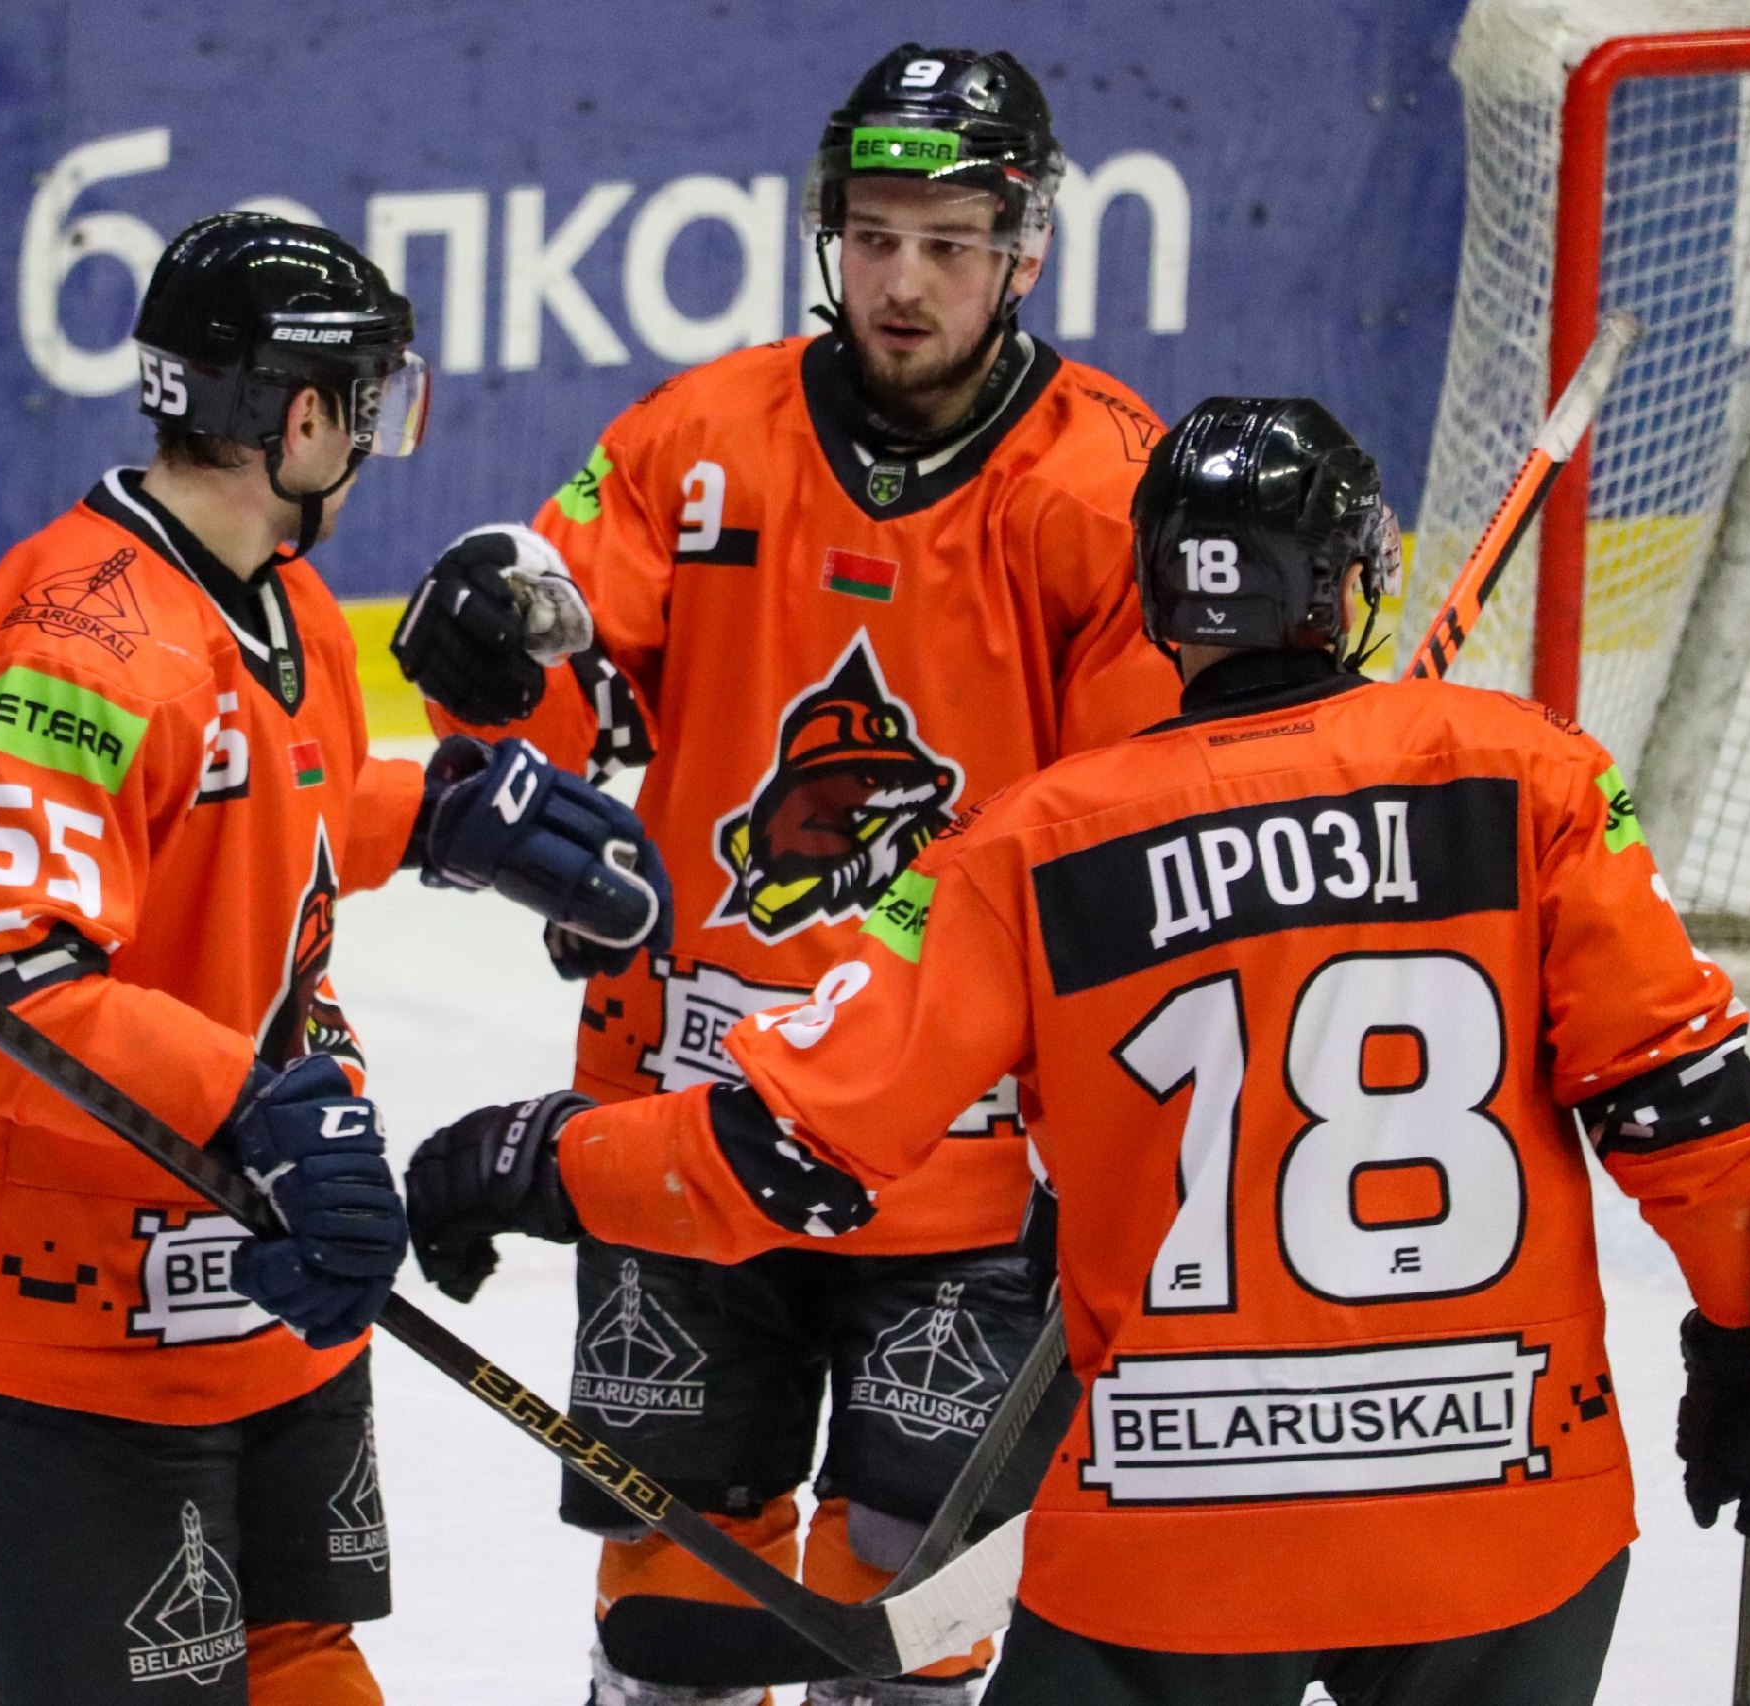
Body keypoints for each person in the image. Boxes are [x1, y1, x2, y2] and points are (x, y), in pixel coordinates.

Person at [405, 397, 1750, 1706]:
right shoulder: (1534, 773)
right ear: (1351, 582)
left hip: (1173, 1531)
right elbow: (1683, 1101)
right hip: (1504, 1511)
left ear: (1158, 602)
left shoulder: (1025, 846)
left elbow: (789, 1147)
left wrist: (535, 1159)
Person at [388, 40, 1183, 1706]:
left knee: (905, 1616)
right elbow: (557, 676)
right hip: (691, 1118)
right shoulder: (700, 435)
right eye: (874, 235)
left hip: (973, 1157)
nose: (901, 281)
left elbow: (1133, 838)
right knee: (676, 1614)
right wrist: (492, 642)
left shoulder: (1106, 485)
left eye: (948, 243)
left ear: (1024, 248)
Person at [0, 212, 668, 1706]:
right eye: (368, 401)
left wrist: (439, 817)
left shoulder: (280, 596)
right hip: (75, 1317)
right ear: (300, 416)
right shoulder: (73, 641)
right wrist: (255, 1107)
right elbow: (4, 997)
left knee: (305, 1659)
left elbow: (263, 809)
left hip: (273, 1262)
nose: (376, 439)